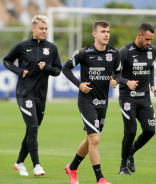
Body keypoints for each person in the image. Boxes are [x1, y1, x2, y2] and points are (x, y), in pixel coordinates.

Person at [62, 20, 121, 184]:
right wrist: (79, 84)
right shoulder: (83, 53)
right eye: (103, 31)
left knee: (90, 139)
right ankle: (100, 179)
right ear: (95, 34)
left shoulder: (114, 53)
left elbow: (117, 72)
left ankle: (72, 168)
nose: (106, 34)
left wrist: (115, 80)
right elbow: (65, 68)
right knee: (95, 139)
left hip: (103, 102)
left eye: (108, 31)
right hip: (86, 101)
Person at [3, 15, 62, 177]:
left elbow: (58, 70)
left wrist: (47, 67)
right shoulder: (22, 46)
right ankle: (36, 165)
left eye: (46, 29)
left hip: (41, 95)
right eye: (41, 28)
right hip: (24, 93)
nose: (44, 31)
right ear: (33, 28)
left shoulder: (51, 48)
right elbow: (7, 61)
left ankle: (19, 162)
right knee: (33, 127)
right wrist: (20, 72)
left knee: (32, 129)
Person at [118, 23, 156, 175]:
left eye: (151, 40)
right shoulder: (125, 51)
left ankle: (131, 153)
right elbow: (115, 74)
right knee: (130, 131)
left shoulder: (152, 51)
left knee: (150, 130)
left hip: (144, 98)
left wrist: (152, 85)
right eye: (147, 39)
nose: (149, 43)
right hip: (128, 97)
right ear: (139, 36)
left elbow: (151, 67)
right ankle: (122, 166)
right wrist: (126, 82)